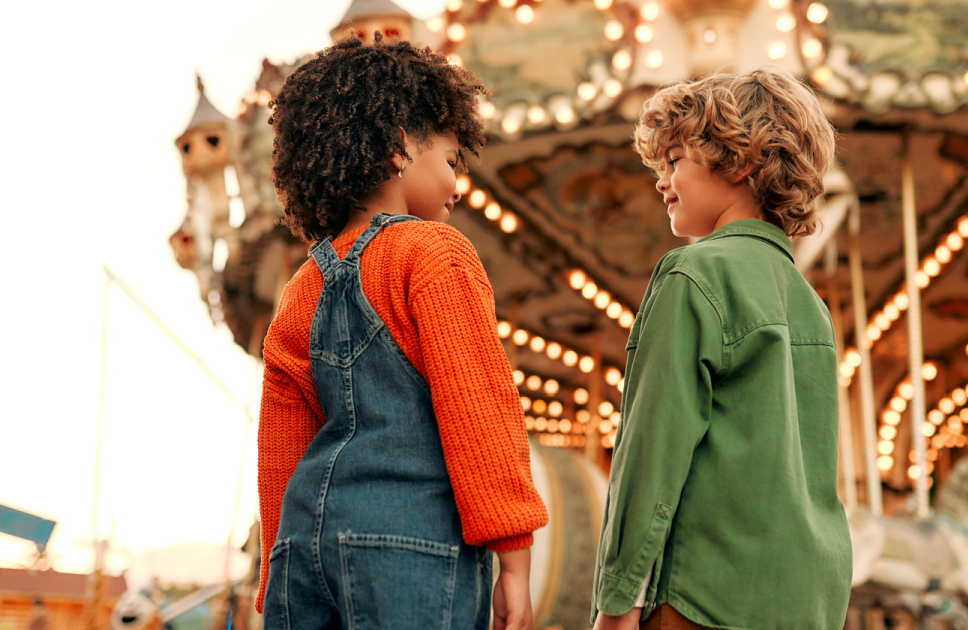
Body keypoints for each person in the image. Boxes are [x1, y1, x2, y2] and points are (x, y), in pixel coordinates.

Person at [256, 34, 548, 630]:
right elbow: (477, 408)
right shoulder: (432, 252)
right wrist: (513, 556)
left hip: (300, 547)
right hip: (408, 538)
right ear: (398, 148)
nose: (457, 185)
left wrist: (275, 566)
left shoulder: (300, 288)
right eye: (450, 160)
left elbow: (281, 444)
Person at [591, 67, 853, 630]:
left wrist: (617, 601)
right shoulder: (810, 305)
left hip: (704, 596)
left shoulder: (694, 272)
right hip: (807, 598)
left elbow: (652, 450)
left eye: (675, 161)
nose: (662, 182)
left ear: (740, 160)